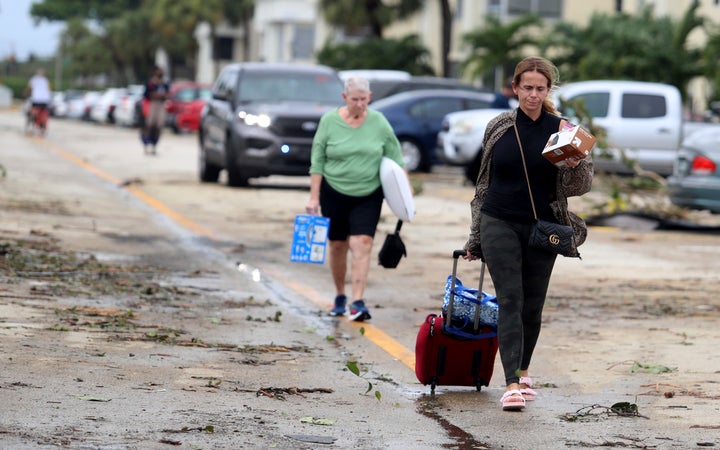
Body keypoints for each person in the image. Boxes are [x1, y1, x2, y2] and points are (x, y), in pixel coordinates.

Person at [462, 56, 593, 411]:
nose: (533, 95)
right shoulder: (499, 126)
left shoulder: (564, 131)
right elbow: (482, 184)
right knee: (510, 299)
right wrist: (474, 238)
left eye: (540, 89)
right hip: (498, 220)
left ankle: (523, 369)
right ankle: (511, 383)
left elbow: (580, 187)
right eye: (527, 88)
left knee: (533, 305)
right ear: (515, 87)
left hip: (542, 226)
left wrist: (575, 165)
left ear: (549, 90)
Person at [306, 77, 405, 322]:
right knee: (337, 245)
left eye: (364, 99)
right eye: (354, 100)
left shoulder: (379, 122)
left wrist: (406, 196)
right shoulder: (329, 121)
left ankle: (357, 300)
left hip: (368, 193)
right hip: (334, 191)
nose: (360, 104)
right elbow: (317, 161)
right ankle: (340, 295)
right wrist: (313, 197)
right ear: (344, 98)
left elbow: (396, 159)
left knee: (362, 242)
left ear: (369, 97)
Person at [141, 66, 170, 155]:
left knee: (159, 125)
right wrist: (155, 95)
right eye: (158, 71)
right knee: (150, 124)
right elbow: (146, 94)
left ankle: (154, 145)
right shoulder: (150, 83)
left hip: (161, 105)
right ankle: (146, 144)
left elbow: (167, 94)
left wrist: (161, 95)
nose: (160, 73)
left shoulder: (164, 83)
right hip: (152, 104)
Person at [24, 69, 52, 134]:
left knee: (32, 112)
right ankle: (43, 126)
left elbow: (29, 88)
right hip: (45, 100)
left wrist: (25, 94)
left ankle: (30, 126)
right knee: (44, 111)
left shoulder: (34, 79)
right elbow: (49, 89)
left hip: (36, 99)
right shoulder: (45, 80)